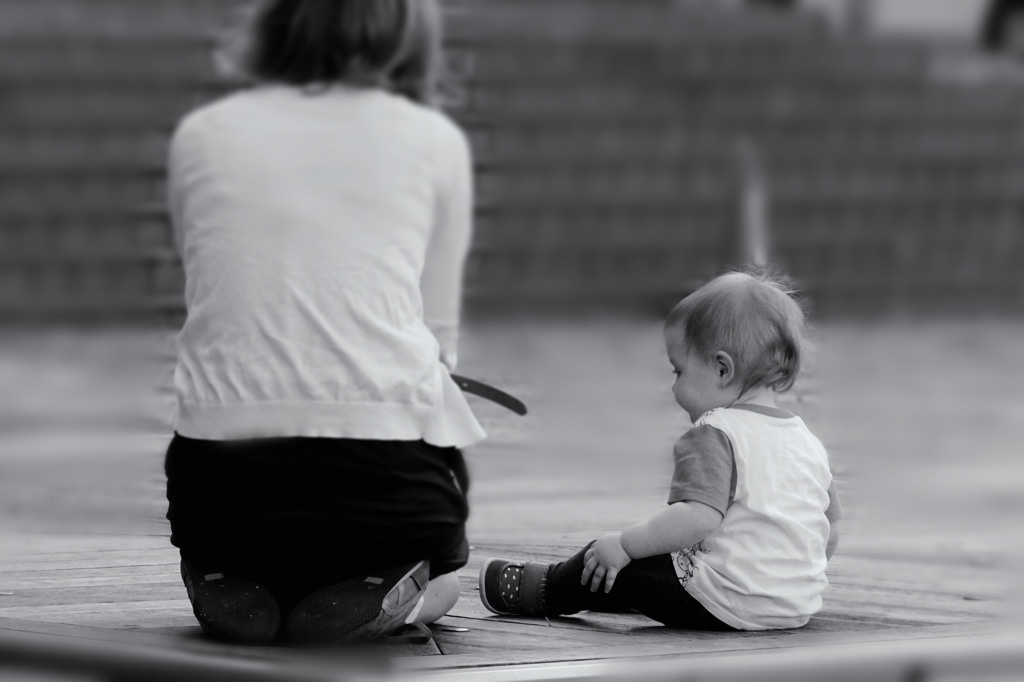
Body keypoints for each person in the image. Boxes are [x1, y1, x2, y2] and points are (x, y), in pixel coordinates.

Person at [164, 0, 485, 644]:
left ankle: (225, 577)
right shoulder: (434, 141)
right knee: (450, 579)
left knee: (235, 511)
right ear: (404, 29)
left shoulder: (201, 134)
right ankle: (394, 594)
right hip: (382, 486)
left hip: (222, 487)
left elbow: (210, 281)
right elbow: (439, 338)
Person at [479, 270, 841, 631]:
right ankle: (623, 592)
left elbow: (697, 518)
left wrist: (625, 544)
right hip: (796, 607)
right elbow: (829, 525)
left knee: (611, 555)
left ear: (721, 369)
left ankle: (548, 589)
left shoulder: (717, 430)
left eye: (678, 371)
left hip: (727, 603)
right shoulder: (805, 440)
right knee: (660, 558)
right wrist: (789, 576)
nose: (674, 388)